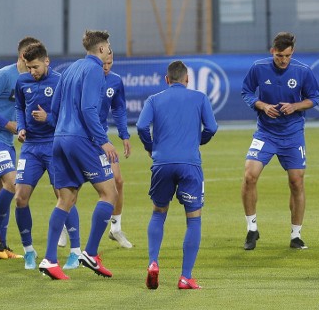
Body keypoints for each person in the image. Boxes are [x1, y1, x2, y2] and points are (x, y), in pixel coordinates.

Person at [38, 30, 119, 280]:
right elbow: (87, 108)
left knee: (66, 199)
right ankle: (91, 254)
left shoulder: (70, 69)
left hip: (59, 139)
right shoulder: (95, 70)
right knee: (109, 193)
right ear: (102, 49)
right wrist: (103, 140)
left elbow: (54, 107)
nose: (108, 52)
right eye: (108, 48)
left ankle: (50, 260)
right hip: (81, 139)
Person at [137, 60, 218, 290]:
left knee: (158, 213)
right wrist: (197, 141)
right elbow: (212, 128)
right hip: (190, 164)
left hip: (161, 163)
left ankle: (153, 262)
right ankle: (186, 277)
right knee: (194, 219)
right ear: (187, 79)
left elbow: (142, 126)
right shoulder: (199, 98)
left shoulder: (154, 99)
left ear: (167, 80)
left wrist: (150, 147)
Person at [240, 32, 319, 250]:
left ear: (292, 52)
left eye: (287, 56)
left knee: (296, 181)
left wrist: (295, 106)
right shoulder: (258, 68)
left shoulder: (303, 71)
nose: (283, 60)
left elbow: (314, 98)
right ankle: (252, 229)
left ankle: (296, 235)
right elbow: (246, 91)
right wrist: (261, 105)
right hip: (265, 133)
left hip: (293, 135)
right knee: (249, 176)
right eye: (279, 56)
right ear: (272, 52)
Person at [13, 42, 82, 270]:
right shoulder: (22, 81)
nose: (31, 71)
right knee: (20, 197)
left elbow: (67, 114)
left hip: (54, 145)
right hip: (31, 147)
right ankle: (28, 251)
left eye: (35, 67)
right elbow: (19, 108)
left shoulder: (60, 81)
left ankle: (75, 252)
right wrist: (21, 127)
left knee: (65, 198)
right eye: (28, 67)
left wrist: (48, 119)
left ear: (46, 62)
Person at [0, 36, 40, 260]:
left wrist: (21, 129)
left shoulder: (31, 80)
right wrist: (8, 124)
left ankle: (0, 248)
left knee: (4, 189)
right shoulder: (5, 75)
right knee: (13, 184)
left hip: (7, 141)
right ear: (24, 56)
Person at [99, 52, 133, 249]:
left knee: (117, 181)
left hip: (102, 138)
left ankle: (115, 228)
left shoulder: (115, 81)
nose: (107, 66)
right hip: (81, 138)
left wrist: (124, 135)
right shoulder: (86, 78)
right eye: (103, 62)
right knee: (71, 185)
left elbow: (118, 109)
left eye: (110, 62)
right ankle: (63, 228)